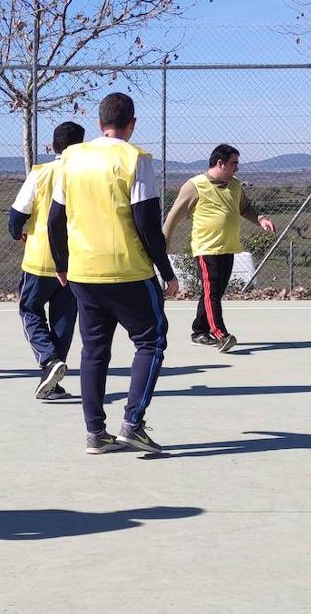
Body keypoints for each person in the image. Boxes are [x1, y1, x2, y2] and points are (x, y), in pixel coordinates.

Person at [48, 92, 179, 455]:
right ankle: (132, 424)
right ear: (132, 123)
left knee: (93, 350)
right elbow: (147, 223)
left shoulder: (71, 158)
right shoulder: (135, 158)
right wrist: (166, 271)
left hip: (83, 271)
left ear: (99, 123)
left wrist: (61, 263)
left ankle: (95, 432)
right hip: (128, 270)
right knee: (151, 341)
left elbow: (55, 218)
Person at [162, 144, 276, 352]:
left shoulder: (235, 185)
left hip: (228, 247)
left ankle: (199, 331)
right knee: (212, 292)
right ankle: (221, 334)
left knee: (213, 292)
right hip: (207, 249)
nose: (237, 168)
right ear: (220, 163)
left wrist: (261, 219)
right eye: (234, 163)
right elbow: (173, 216)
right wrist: (165, 239)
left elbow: (245, 208)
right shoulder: (195, 185)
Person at [8, 121, 86, 401]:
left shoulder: (41, 173)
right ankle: (52, 380)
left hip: (40, 258)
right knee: (64, 318)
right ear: (82, 145)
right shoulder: (85, 175)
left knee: (29, 309)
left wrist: (17, 233)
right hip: (75, 259)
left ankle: (49, 359)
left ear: (53, 145)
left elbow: (17, 214)